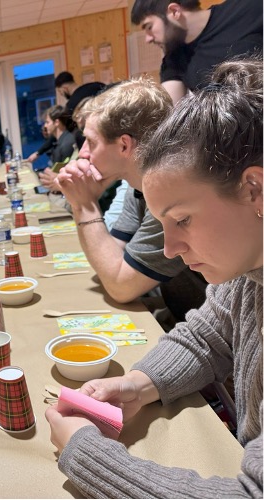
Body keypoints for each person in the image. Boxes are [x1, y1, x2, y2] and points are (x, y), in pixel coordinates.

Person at [46, 57, 262, 498]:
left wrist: (89, 456)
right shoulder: (248, 270)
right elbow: (209, 335)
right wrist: (138, 384)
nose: (169, 250)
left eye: (182, 219)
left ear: (254, 188)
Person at [53, 78, 207, 321]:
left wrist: (83, 205)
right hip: (181, 315)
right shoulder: (136, 185)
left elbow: (121, 286)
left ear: (124, 145)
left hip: (208, 334)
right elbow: (113, 254)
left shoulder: (171, 189)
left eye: (91, 142)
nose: (82, 152)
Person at [131, 0, 262, 103]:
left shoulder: (249, 7)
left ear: (175, 11)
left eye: (149, 27)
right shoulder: (174, 59)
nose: (148, 39)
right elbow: (169, 112)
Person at [37, 105, 77, 189]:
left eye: (47, 122)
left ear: (57, 123)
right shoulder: (61, 140)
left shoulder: (67, 144)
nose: (45, 126)